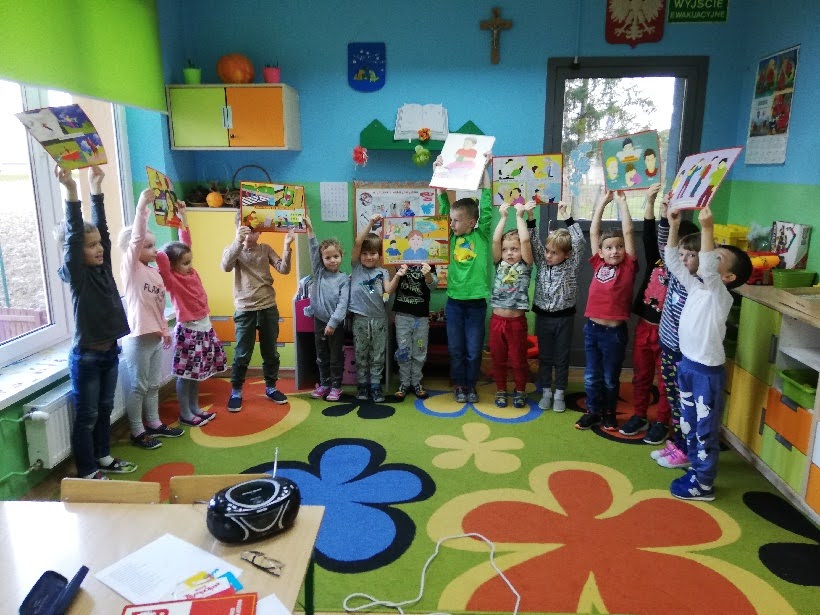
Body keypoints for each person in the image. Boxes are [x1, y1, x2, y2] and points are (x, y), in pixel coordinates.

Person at [664, 205, 752, 500]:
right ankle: (696, 470)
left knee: (704, 430)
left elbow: (707, 268)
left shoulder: (719, 294)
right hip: (687, 366)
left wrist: (708, 228)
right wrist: (673, 227)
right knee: (689, 424)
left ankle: (703, 483)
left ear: (728, 277)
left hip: (705, 374)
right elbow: (672, 261)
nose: (708, 257)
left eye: (716, 257)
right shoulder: (696, 287)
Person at [55, 165, 135, 479]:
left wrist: (96, 188)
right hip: (87, 357)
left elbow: (102, 230)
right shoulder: (79, 277)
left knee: (104, 410)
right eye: (91, 246)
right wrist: (72, 191)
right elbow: (75, 235)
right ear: (75, 252)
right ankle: (87, 470)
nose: (99, 248)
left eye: (99, 244)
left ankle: (103, 456)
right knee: (87, 416)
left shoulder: (102, 269)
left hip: (110, 352)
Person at [620, 185, 698, 442]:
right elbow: (649, 234)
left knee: (666, 382)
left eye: (687, 252)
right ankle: (639, 414)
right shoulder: (658, 258)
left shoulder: (687, 276)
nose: (679, 255)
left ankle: (662, 421)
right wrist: (652, 203)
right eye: (676, 248)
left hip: (670, 336)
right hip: (645, 327)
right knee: (641, 375)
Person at [119, 189, 181, 450]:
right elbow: (136, 239)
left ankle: (154, 423)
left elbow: (157, 306)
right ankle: (137, 431)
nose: (154, 250)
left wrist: (165, 331)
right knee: (139, 386)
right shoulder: (131, 268)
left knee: (153, 384)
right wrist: (142, 207)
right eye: (148, 246)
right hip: (138, 338)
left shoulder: (153, 273)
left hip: (155, 336)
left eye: (154, 245)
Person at [156, 202, 225, 426]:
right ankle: (185, 413)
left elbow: (186, 242)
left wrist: (182, 217)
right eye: (184, 263)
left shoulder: (191, 273)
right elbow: (162, 262)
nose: (189, 266)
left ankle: (194, 408)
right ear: (172, 266)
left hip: (204, 328)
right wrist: (155, 247)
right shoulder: (172, 280)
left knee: (197, 374)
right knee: (185, 375)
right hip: (188, 331)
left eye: (189, 261)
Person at [576, 190, 638, 431]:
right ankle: (593, 411)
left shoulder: (628, 266)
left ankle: (609, 412)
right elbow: (594, 232)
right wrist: (601, 202)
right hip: (592, 329)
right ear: (601, 252)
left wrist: (622, 203)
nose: (615, 251)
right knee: (592, 375)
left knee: (611, 377)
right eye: (609, 247)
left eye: (619, 247)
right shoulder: (598, 263)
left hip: (614, 334)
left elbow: (629, 231)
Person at [435, 151, 493, 403]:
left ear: (471, 222)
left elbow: (487, 202)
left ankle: (471, 385)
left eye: (457, 221)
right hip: (455, 303)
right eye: (452, 220)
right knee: (456, 349)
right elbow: (443, 210)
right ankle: (459, 385)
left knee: (473, 350)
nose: (452, 224)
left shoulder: (481, 235)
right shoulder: (450, 237)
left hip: (476, 303)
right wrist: (439, 172)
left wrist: (486, 168)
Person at [221, 214, 294, 411]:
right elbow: (226, 266)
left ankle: (271, 387)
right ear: (237, 229)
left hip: (268, 307)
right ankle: (236, 391)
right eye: (244, 229)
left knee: (270, 352)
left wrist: (287, 246)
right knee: (242, 354)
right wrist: (238, 240)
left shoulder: (265, 249)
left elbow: (284, 269)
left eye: (253, 230)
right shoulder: (233, 250)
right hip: (245, 310)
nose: (249, 234)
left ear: (260, 231)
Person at [653, 197, 701, 467]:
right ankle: (679, 443)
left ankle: (686, 450)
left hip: (687, 355)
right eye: (681, 254)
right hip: (669, 348)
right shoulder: (676, 273)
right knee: (673, 399)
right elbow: (667, 249)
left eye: (691, 255)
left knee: (686, 403)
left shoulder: (699, 283)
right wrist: (669, 221)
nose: (683, 259)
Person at [528, 202, 585, 413]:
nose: (548, 255)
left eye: (554, 253)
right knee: (545, 357)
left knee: (561, 357)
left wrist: (567, 216)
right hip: (543, 318)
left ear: (567, 254)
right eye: (548, 251)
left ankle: (560, 392)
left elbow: (579, 241)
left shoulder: (572, 264)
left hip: (564, 319)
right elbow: (534, 242)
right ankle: (546, 391)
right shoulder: (542, 263)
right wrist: (531, 217)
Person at [350, 214, 402, 402]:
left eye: (372, 253)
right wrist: (371, 223)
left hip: (379, 320)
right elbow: (358, 242)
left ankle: (375, 386)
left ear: (380, 255)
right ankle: (362, 386)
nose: (368, 257)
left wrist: (398, 275)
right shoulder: (356, 267)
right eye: (365, 253)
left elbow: (388, 290)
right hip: (360, 319)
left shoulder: (382, 272)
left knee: (377, 355)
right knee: (361, 354)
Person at [490, 202, 534, 408]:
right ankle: (501, 389)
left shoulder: (526, 264)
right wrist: (503, 217)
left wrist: (519, 216)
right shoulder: (499, 264)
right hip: (497, 320)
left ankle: (520, 390)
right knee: (498, 358)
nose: (509, 253)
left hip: (516, 322)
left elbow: (525, 240)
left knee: (518, 359)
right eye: (506, 249)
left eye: (514, 249)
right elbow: (495, 240)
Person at [304, 215, 349, 402]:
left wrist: (332, 323)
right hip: (319, 320)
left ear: (341, 257)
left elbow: (342, 304)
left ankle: (336, 387)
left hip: (335, 325)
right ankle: (324, 383)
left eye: (335, 256)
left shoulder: (343, 279)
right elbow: (313, 250)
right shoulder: (319, 273)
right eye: (328, 257)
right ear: (322, 259)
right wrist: (310, 230)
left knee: (335, 356)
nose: (332, 260)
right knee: (321, 355)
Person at [391, 262, 437, 400]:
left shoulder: (428, 261)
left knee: (420, 350)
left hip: (421, 317)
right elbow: (389, 287)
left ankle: (416, 382)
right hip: (402, 316)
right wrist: (398, 272)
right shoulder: (397, 260)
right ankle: (404, 383)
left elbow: (433, 285)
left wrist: (428, 274)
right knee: (403, 351)